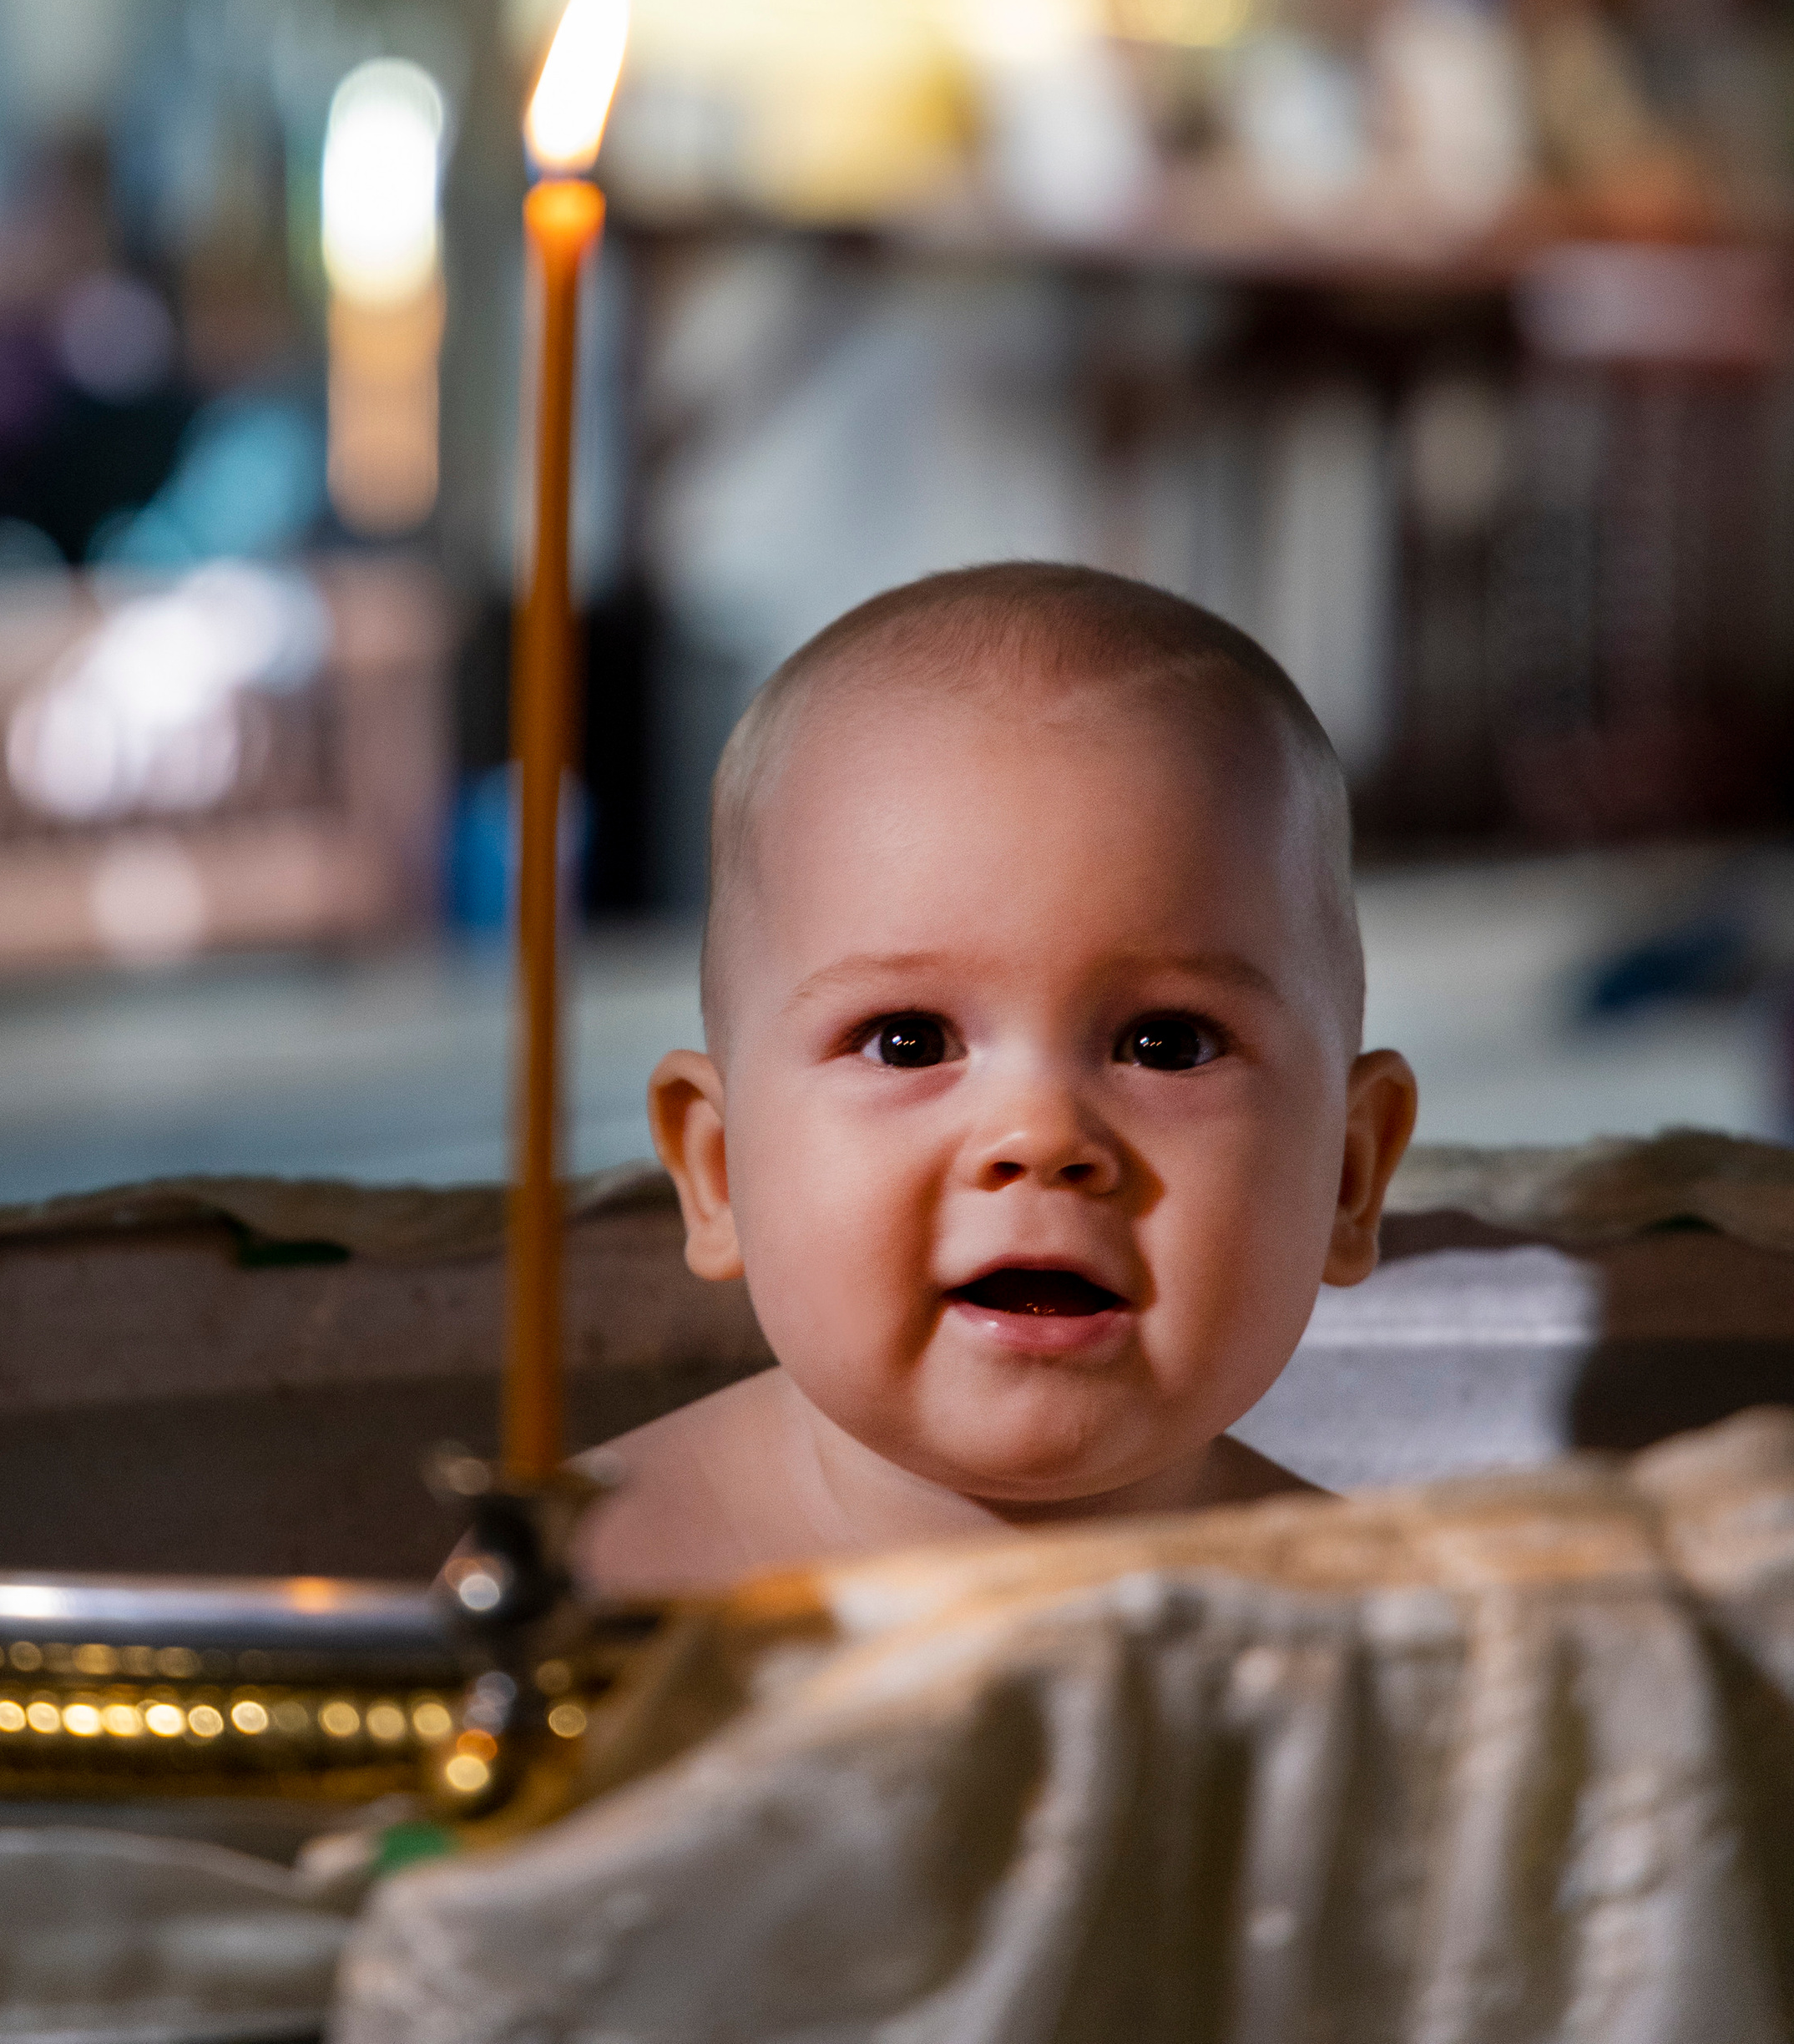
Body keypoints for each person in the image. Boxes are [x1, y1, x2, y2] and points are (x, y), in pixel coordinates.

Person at [581, 561, 1418, 1594]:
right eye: (907, 1042)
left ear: (1348, 1171)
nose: (1040, 1135)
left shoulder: (1371, 1632)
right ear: (716, 1173)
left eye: (1165, 1045)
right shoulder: (588, 1575)